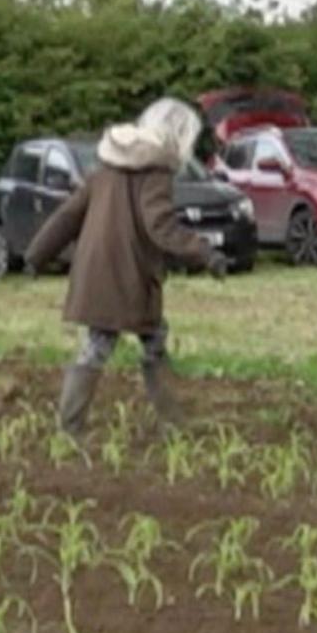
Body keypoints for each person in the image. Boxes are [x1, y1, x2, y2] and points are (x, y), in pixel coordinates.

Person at [25, 96, 226, 444]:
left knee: (137, 341)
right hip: (128, 277)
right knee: (117, 345)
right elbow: (159, 227)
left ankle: (165, 424)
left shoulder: (108, 164)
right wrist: (205, 253)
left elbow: (69, 214)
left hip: (99, 273)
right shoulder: (155, 173)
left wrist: (36, 253)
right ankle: (75, 430)